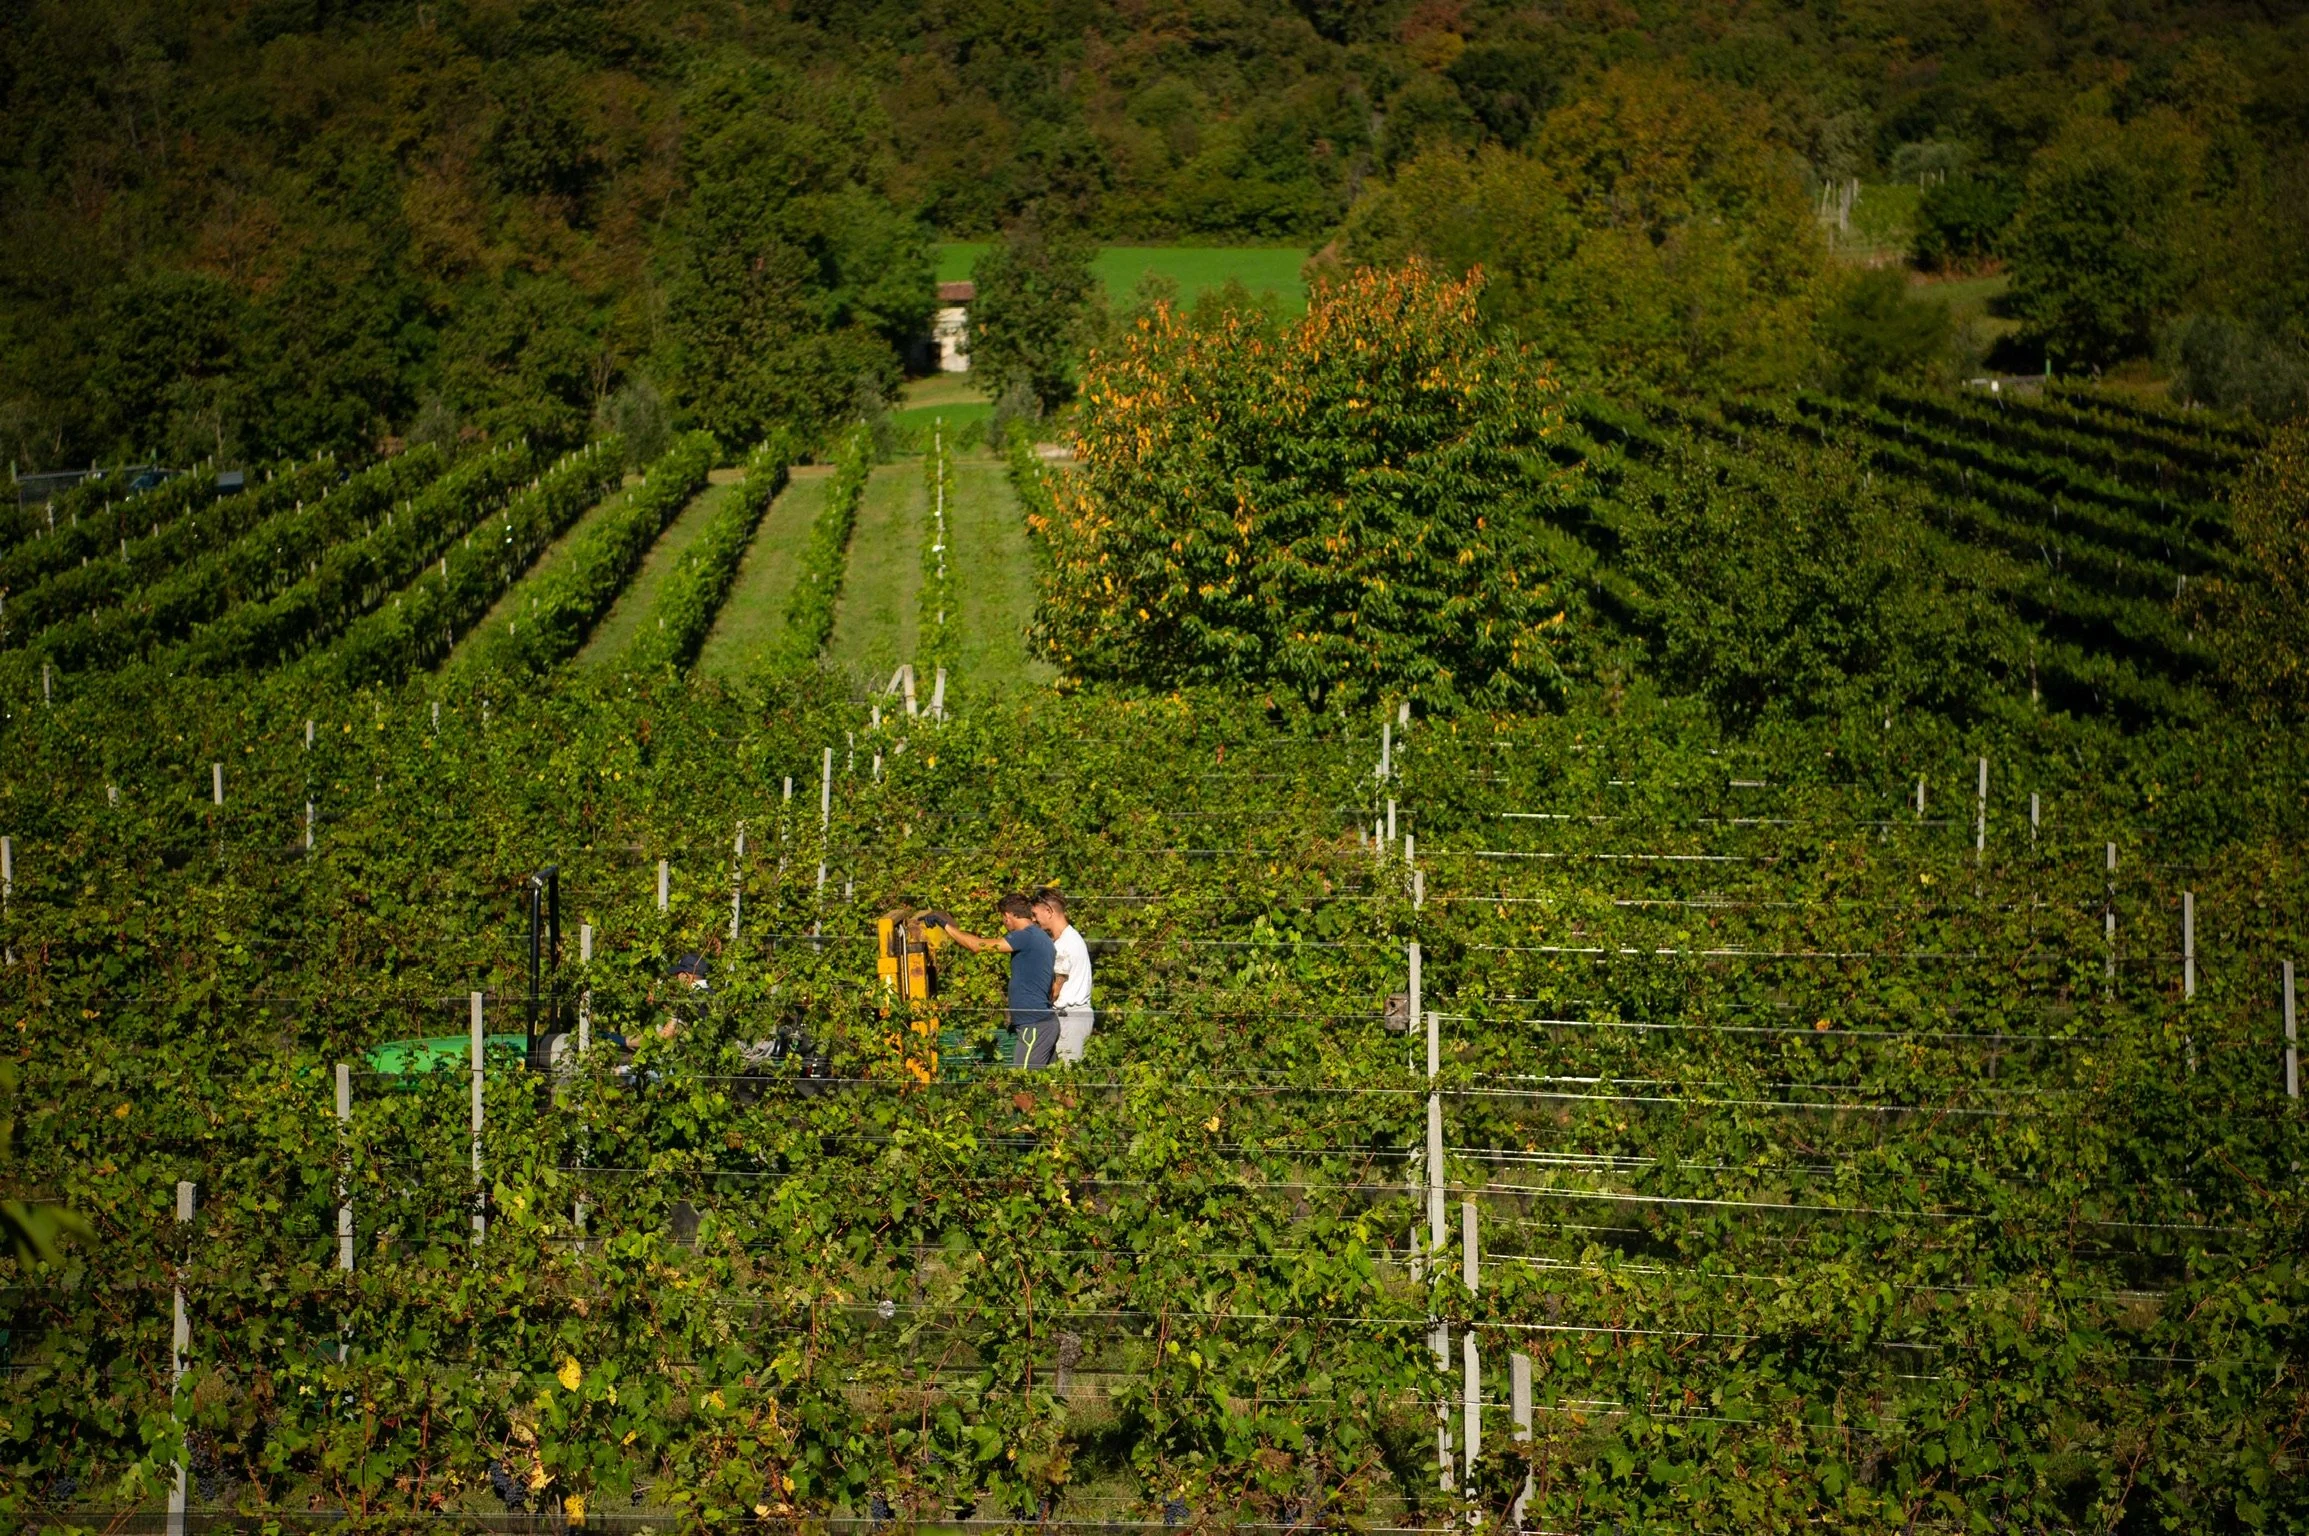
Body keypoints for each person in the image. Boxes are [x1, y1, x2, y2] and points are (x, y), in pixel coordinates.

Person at [929, 894, 1058, 1068]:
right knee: (1051, 1082)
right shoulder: (1042, 938)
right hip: (1043, 1023)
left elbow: (977, 946)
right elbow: (1052, 986)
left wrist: (945, 925)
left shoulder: (1024, 936)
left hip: (1034, 1026)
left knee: (1023, 1081)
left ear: (1007, 916)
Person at [1033, 887, 1094, 1064]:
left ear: (1048, 911)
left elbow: (1055, 990)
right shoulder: (1069, 938)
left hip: (1069, 1018)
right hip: (1070, 1018)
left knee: (1066, 1075)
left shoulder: (1064, 945)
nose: (1034, 919)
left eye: (1035, 914)